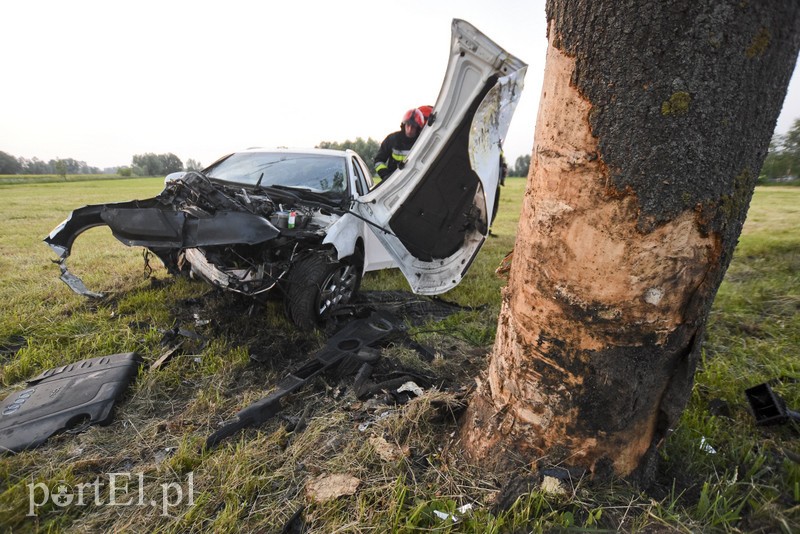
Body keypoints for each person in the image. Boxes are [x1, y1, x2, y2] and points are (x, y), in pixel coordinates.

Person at [374, 108, 426, 180]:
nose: (410, 129)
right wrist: (386, 176)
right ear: (403, 125)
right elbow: (378, 161)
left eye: (413, 126)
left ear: (418, 128)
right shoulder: (391, 140)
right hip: (393, 182)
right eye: (408, 125)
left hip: (415, 181)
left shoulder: (422, 142)